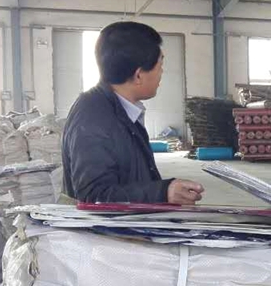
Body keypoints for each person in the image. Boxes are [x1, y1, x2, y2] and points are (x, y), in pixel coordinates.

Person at [62, 21, 204, 204]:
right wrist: (162, 193)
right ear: (138, 75)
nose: (161, 72)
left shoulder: (120, 110)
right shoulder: (92, 118)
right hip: (109, 224)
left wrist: (162, 192)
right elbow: (93, 196)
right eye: (160, 65)